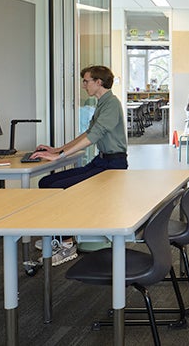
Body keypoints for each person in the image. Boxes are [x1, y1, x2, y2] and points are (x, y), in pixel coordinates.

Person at [31, 65, 128, 265]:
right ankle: (58, 236)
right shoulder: (103, 103)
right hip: (101, 161)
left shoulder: (111, 104)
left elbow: (94, 135)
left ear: (98, 82)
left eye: (86, 81)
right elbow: (87, 133)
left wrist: (60, 157)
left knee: (57, 187)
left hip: (112, 165)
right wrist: (57, 150)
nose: (84, 85)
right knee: (46, 182)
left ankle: (67, 244)